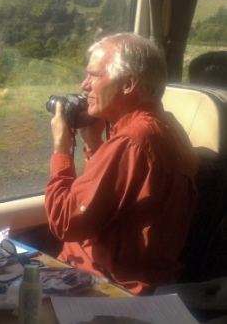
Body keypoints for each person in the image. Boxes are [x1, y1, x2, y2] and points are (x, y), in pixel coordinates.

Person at [45, 32, 201, 295]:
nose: (85, 85)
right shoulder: (167, 126)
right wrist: (94, 144)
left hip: (106, 287)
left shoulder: (134, 142)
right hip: (96, 276)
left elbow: (64, 222)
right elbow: (115, 203)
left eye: (95, 76)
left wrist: (62, 148)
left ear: (129, 83)